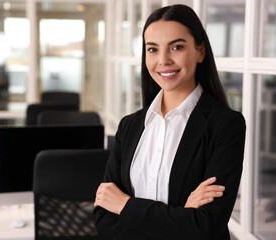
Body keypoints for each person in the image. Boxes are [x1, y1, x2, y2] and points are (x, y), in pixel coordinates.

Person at [93, 4, 246, 240]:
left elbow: (206, 226)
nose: (163, 60)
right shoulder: (129, 126)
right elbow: (104, 219)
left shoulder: (226, 126)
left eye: (176, 47)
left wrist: (124, 205)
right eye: (152, 49)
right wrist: (181, 214)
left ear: (200, 51)